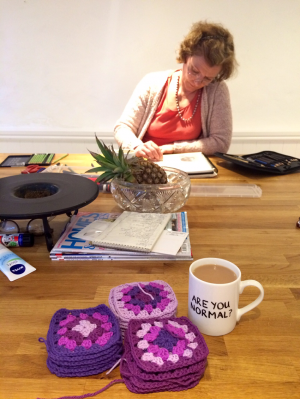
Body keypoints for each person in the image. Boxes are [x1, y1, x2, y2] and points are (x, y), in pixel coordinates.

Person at [114, 21, 238, 161]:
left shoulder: (216, 90)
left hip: (189, 168)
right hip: (145, 165)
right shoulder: (152, 83)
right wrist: (136, 146)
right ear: (185, 55)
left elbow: (220, 142)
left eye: (208, 78)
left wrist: (174, 148)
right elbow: (122, 127)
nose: (198, 81)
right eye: (194, 71)